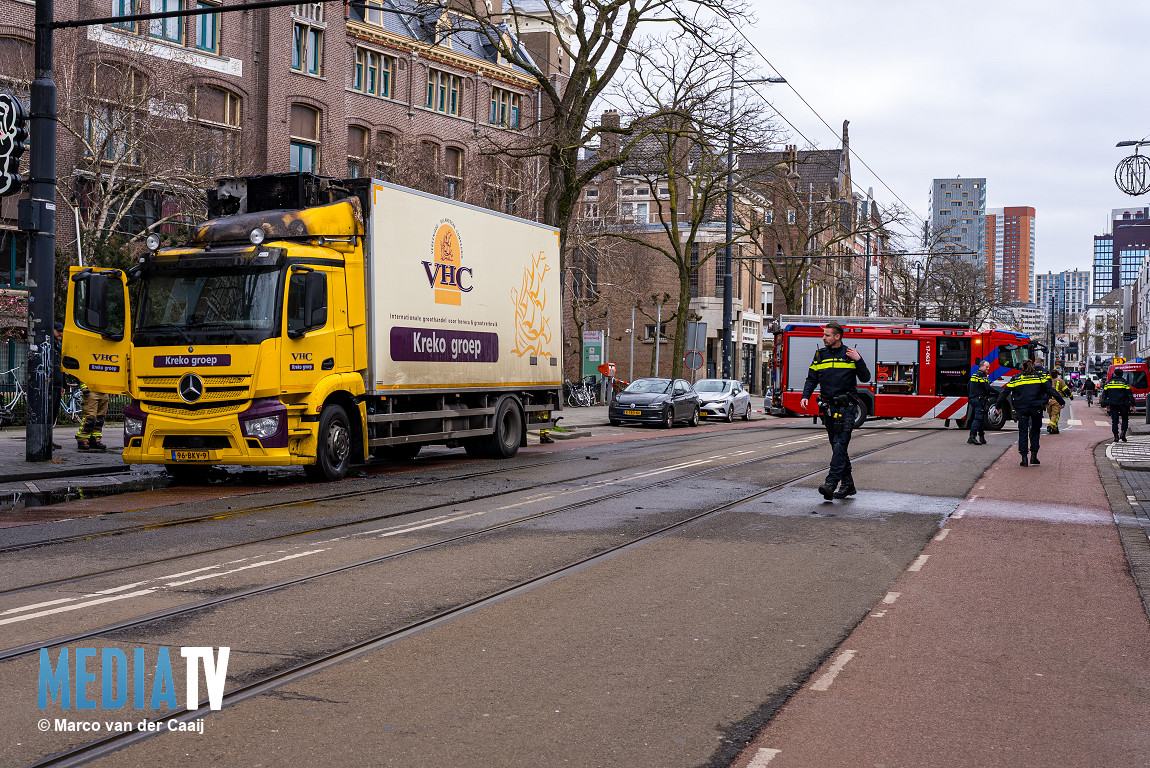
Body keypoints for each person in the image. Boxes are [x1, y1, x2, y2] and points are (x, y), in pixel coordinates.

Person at [800, 321, 872, 501]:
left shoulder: (850, 354)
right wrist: (805, 395)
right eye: (824, 335)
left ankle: (831, 483)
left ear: (837, 337)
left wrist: (858, 359)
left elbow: (865, 377)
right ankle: (848, 485)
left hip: (846, 408)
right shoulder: (820, 355)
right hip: (828, 408)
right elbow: (812, 378)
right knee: (837, 446)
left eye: (827, 335)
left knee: (840, 444)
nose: (823, 338)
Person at [997, 360, 1064, 467]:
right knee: (1035, 431)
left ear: (1022, 367)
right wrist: (1061, 401)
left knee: (1023, 432)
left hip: (1022, 409)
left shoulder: (1016, 378)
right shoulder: (1039, 377)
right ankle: (1034, 456)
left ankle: (1024, 458)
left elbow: (1005, 392)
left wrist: (998, 405)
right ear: (1032, 367)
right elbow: (1050, 390)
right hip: (1036, 408)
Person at [1100, 373, 1134, 443]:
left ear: (1114, 374)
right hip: (1124, 405)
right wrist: (1133, 405)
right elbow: (1129, 394)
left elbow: (1104, 394)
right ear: (1122, 374)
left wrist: (1106, 403)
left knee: (1115, 421)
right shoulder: (1125, 383)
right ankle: (1123, 434)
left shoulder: (1109, 383)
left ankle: (1116, 436)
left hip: (1113, 404)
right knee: (1125, 419)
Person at [76, 383, 109, 451]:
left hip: (104, 392)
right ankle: (82, 440)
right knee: (90, 418)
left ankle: (96, 439)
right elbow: (83, 375)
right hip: (91, 391)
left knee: (100, 419)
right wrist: (85, 388)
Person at [966, 360, 991, 445]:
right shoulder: (981, 375)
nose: (988, 368)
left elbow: (968, 386)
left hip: (974, 399)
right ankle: (972, 437)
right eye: (986, 367)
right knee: (979, 418)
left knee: (981, 419)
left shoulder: (975, 374)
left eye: (989, 367)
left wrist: (971, 395)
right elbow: (987, 388)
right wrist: (999, 393)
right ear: (981, 366)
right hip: (978, 399)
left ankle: (982, 437)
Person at [51, 322, 64, 449]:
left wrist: (63, 385)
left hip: (57, 385)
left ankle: (50, 439)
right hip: (51, 385)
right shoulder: (49, 344)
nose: (61, 333)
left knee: (54, 414)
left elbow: (61, 367)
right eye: (58, 330)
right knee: (49, 413)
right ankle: (47, 440)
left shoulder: (58, 345)